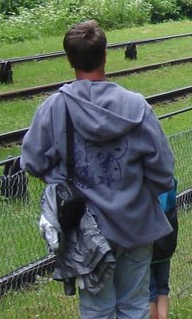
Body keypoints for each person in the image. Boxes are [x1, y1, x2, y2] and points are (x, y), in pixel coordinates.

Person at [22, 19, 175, 319]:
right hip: (136, 224)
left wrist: (61, 181)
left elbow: (33, 160)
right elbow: (163, 170)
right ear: (106, 55)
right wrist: (139, 196)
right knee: (134, 305)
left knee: (96, 310)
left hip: (86, 230)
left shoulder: (55, 108)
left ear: (69, 60)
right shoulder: (137, 106)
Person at [149, 178, 178, 319]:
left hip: (147, 244)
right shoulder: (167, 180)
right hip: (166, 243)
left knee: (149, 293)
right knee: (162, 289)